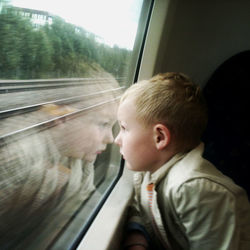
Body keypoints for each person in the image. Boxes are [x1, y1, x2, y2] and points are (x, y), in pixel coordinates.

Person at [114, 72, 250, 250]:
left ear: (160, 137)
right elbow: (141, 208)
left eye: (124, 128)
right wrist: (137, 238)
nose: (117, 139)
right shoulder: (147, 174)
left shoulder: (194, 188)